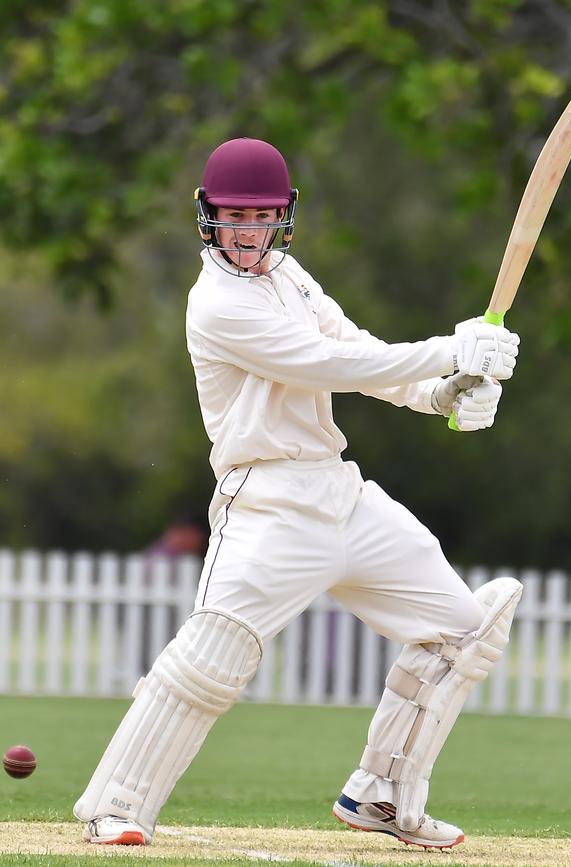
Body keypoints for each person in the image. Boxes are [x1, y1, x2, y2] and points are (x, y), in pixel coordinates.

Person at [74, 138, 522, 850]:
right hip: (268, 501)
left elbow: (358, 345)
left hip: (338, 489)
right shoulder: (216, 303)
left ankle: (381, 792)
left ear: (283, 215)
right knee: (214, 655)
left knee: (462, 630)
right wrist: (450, 348)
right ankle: (115, 805)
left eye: (261, 215)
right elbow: (327, 363)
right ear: (208, 218)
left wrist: (440, 393)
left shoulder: (289, 275)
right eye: (234, 216)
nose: (248, 231)